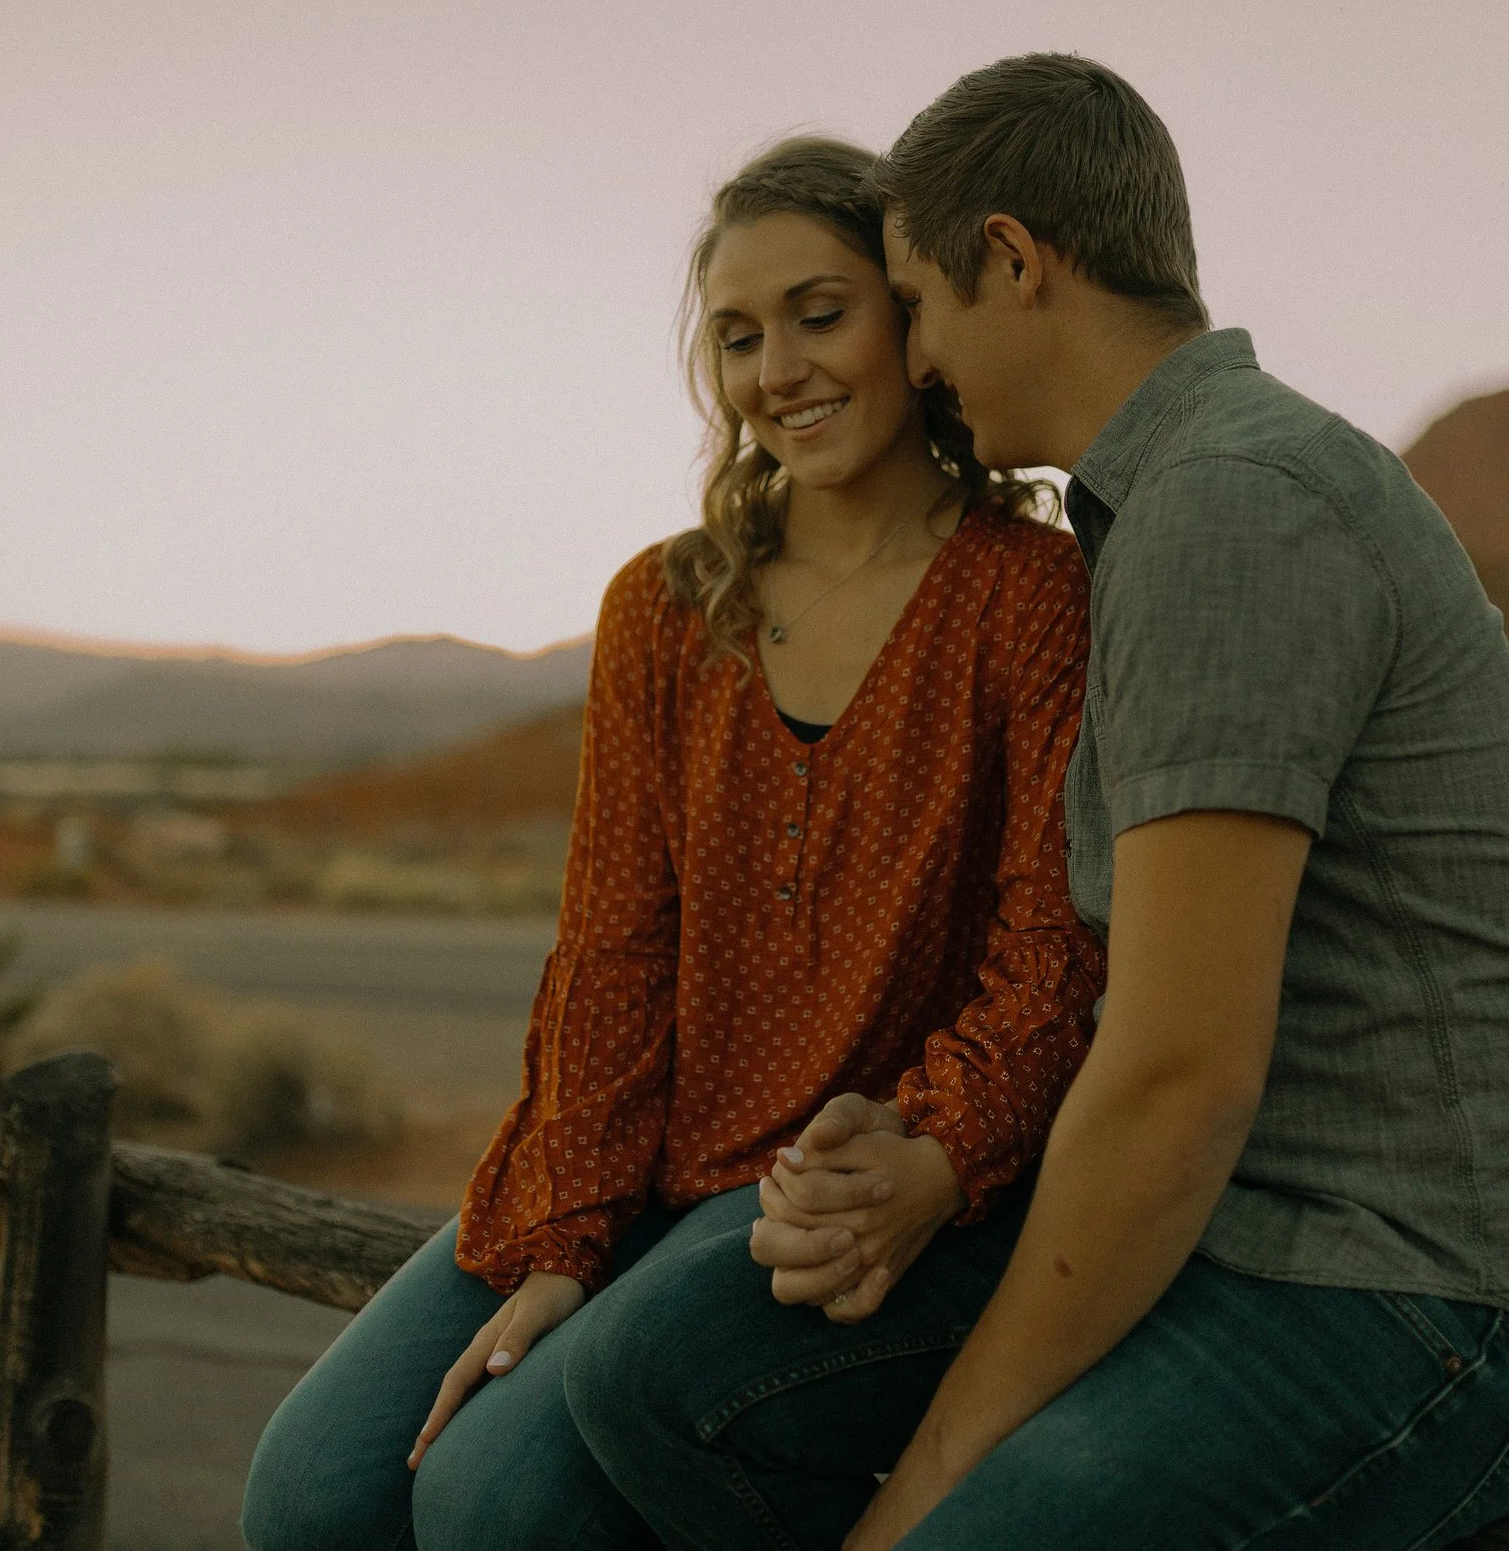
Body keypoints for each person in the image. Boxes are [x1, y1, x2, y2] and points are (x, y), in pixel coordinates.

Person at [564, 56, 1509, 1551]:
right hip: (1235, 1225)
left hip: (1407, 1284)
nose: (919, 361)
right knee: (672, 1371)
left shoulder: (1229, 507)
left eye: (919, 304)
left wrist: (926, 1488)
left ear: (1012, 261)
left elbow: (1177, 1072)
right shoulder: (1159, 504)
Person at [239, 135, 1103, 1551]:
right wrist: (566, 1238)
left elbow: (1053, 950)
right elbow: (614, 943)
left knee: (493, 1504)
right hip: (641, 1155)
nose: (780, 370)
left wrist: (941, 1140)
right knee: (312, 1493)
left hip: (833, 1180)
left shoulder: (1029, 594)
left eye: (821, 314)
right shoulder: (665, 604)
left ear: (908, 315)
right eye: (739, 335)